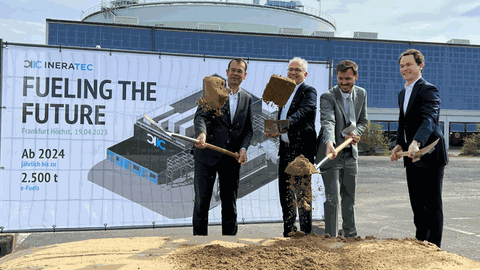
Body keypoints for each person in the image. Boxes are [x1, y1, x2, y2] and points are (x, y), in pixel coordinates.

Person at [390, 49, 448, 248]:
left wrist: (416, 142)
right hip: (411, 157)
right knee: (417, 206)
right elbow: (402, 124)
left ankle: (434, 250)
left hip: (430, 154)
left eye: (409, 64)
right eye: (402, 66)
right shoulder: (402, 93)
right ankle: (420, 245)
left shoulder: (428, 90)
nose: (404, 69)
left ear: (420, 65)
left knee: (432, 206)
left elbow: (429, 119)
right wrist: (399, 144)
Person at [192, 58, 253, 236]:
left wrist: (243, 149)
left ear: (244, 75)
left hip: (231, 158)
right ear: (227, 73)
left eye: (239, 71)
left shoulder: (247, 99)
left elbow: (248, 130)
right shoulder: (214, 91)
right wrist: (201, 134)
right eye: (232, 70)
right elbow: (200, 117)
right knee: (202, 203)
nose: (235, 73)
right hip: (207, 155)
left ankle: (229, 243)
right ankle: (199, 244)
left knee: (229, 203)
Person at [315, 60, 368, 238]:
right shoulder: (327, 97)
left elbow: (363, 121)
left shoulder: (361, 94)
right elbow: (328, 121)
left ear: (356, 77)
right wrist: (329, 141)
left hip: (350, 154)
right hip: (331, 153)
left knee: (349, 198)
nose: (344, 82)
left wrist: (355, 133)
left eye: (348, 78)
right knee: (332, 199)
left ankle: (350, 235)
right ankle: (330, 236)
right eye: (340, 78)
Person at [265, 57, 317, 237]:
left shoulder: (308, 91)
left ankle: (306, 233)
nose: (292, 73)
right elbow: (281, 115)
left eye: (297, 70)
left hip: (302, 152)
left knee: (302, 194)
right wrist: (272, 129)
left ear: (305, 74)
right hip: (285, 149)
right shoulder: (284, 92)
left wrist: (280, 127)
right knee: (285, 193)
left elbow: (302, 113)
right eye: (290, 69)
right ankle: (289, 232)